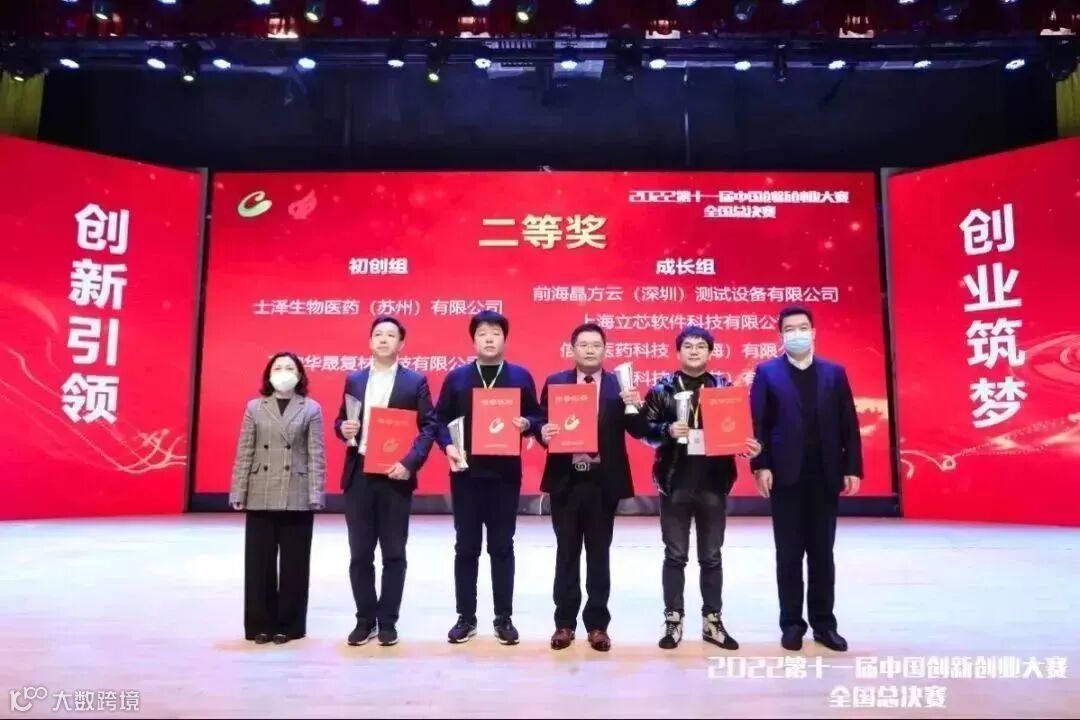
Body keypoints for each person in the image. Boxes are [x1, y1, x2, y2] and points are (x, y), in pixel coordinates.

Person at [750, 305, 863, 653]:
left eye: (802, 327)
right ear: (781, 335)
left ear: (813, 332)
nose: (797, 334)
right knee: (788, 555)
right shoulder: (767, 372)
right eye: (789, 329)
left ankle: (824, 625)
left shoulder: (834, 373)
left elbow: (849, 423)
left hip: (825, 474)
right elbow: (758, 423)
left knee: (822, 554)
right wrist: (761, 465)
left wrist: (852, 467)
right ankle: (791, 625)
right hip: (785, 476)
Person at [643, 327, 761, 651]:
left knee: (711, 557)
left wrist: (746, 447)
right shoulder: (662, 389)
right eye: (688, 346)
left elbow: (739, 432)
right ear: (678, 352)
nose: (694, 351)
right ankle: (673, 620)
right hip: (674, 483)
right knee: (675, 556)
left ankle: (712, 621)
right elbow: (645, 431)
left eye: (700, 346)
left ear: (710, 352)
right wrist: (666, 430)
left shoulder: (725, 389)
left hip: (713, 483)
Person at [434, 310, 544, 645]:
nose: (489, 339)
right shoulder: (457, 378)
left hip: (504, 476)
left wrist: (528, 424)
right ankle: (465, 618)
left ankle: (503, 618)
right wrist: (448, 446)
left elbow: (538, 415)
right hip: (466, 474)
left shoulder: (520, 376)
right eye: (482, 333)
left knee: (502, 546)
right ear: (473, 340)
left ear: (504, 338)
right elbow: (439, 420)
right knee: (466, 547)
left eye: (495, 332)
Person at [538, 323, 647, 652]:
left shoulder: (619, 385)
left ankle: (598, 625)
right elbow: (542, 423)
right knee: (566, 553)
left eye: (596, 345)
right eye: (583, 344)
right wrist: (543, 432)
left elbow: (638, 429)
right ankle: (564, 623)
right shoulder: (556, 382)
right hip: (566, 480)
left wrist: (635, 405)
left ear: (604, 349)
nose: (589, 350)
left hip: (602, 482)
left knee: (599, 555)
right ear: (572, 349)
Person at [334, 316, 438, 647]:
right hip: (360, 474)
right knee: (360, 554)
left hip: (396, 475)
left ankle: (388, 621)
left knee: (394, 553)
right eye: (378, 334)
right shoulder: (354, 379)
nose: (383, 339)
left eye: (390, 335)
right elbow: (341, 420)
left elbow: (429, 426)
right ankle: (365, 620)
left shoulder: (415, 381)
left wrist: (409, 463)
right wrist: (343, 429)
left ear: (401, 344)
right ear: (370, 341)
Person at [229, 352, 326, 646]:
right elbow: (245, 450)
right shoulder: (255, 407)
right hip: (261, 488)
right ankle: (259, 624)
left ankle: (290, 625)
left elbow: (316, 454)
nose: (284, 372)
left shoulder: (311, 408)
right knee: (259, 563)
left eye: (289, 367)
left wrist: (316, 494)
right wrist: (238, 491)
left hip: (297, 490)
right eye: (278, 367)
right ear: (269, 374)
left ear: (300, 375)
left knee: (296, 564)